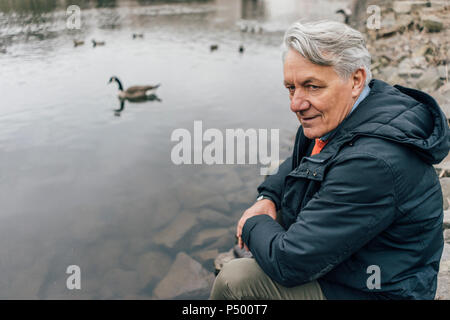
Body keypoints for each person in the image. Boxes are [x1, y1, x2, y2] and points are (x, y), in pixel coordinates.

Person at [210, 20, 450, 300]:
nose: (296, 103)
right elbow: (298, 163)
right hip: (353, 268)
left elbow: (289, 262)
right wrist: (268, 197)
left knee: (234, 280)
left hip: (378, 291)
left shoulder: (372, 162)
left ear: (356, 80)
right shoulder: (347, 114)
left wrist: (252, 223)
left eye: (312, 86)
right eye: (291, 87)